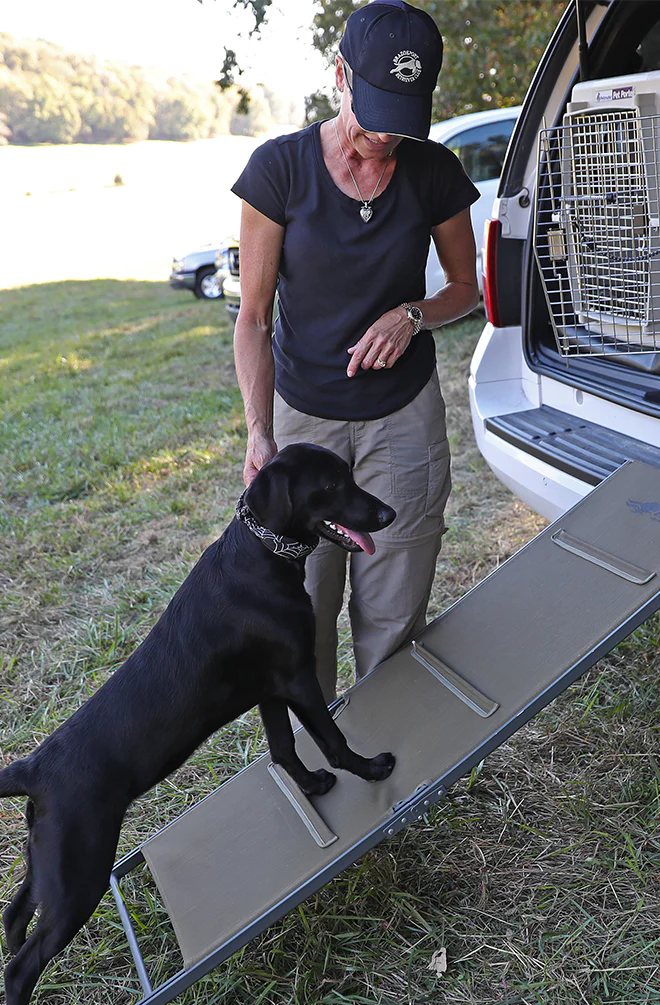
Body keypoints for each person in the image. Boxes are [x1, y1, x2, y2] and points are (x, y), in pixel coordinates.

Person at [232, 0, 480, 701]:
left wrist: (413, 315)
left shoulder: (433, 171)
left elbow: (465, 287)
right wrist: (259, 430)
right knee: (299, 604)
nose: (386, 133)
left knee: (394, 612)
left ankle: (389, 773)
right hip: (302, 421)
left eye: (405, 115)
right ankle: (315, 764)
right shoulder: (277, 171)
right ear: (339, 75)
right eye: (375, 109)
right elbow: (252, 319)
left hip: (402, 419)